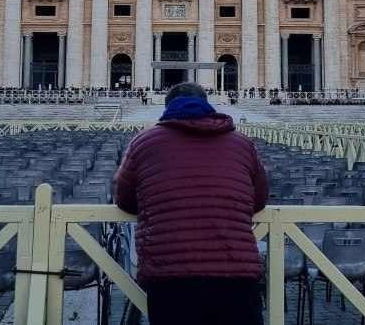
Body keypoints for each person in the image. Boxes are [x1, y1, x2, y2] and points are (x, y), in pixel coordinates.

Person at [113, 82, 267, 325]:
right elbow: (259, 200)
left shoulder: (143, 142)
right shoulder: (243, 143)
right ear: (208, 104)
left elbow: (123, 199)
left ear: (166, 107)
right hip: (235, 269)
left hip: (169, 271)